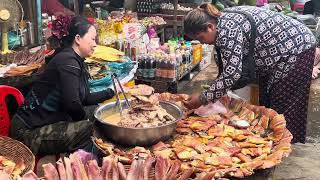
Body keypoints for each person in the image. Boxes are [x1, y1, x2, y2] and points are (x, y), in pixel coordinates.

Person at [183, 4, 317, 143]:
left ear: (210, 27)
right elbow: (228, 64)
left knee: (282, 107)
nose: (202, 43)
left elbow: (231, 74)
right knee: (267, 101)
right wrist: (214, 92)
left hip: (297, 48)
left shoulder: (228, 29)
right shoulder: (220, 22)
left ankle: (282, 146)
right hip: (276, 53)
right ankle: (270, 142)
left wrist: (203, 98)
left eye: (201, 38)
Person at [9, 16, 115, 154]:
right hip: (27, 133)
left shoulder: (74, 59)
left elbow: (84, 98)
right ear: (78, 39)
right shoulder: (68, 62)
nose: (95, 44)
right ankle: (88, 166)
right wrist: (85, 121)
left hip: (45, 122)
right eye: (93, 39)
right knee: (92, 127)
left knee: (99, 113)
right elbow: (72, 103)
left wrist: (111, 92)